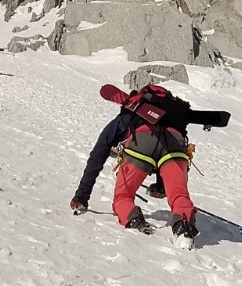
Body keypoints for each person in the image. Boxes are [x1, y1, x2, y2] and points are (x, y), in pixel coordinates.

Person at [74, 84, 199, 238]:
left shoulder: (132, 113)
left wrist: (82, 195)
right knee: (179, 195)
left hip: (141, 143)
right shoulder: (172, 118)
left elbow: (99, 153)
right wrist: (161, 186)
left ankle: (134, 219)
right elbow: (163, 143)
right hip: (176, 144)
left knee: (123, 197)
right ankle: (184, 227)